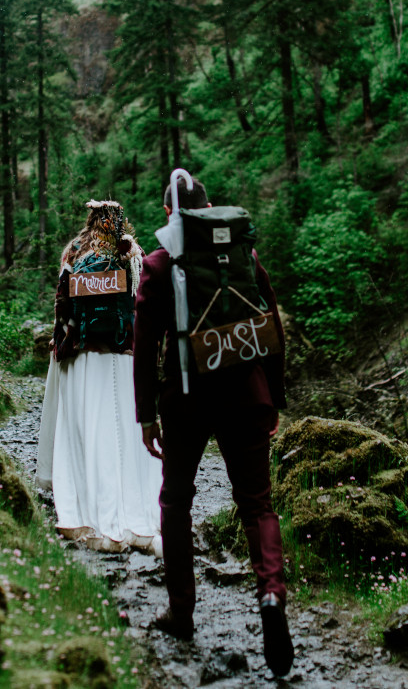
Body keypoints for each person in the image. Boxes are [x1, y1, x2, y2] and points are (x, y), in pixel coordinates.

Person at [132, 175, 294, 677]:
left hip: (186, 398)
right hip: (246, 392)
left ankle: (182, 613)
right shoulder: (241, 254)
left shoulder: (158, 265)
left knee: (176, 501)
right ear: (209, 210)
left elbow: (144, 345)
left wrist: (146, 414)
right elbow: (272, 326)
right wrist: (273, 398)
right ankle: (270, 594)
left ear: (168, 213)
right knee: (257, 505)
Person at [37, 200, 163, 554]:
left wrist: (60, 341)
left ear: (90, 221)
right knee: (122, 428)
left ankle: (89, 500)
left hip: (83, 356)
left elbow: (62, 305)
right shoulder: (131, 254)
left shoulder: (74, 253)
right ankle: (133, 505)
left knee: (89, 430)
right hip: (123, 354)